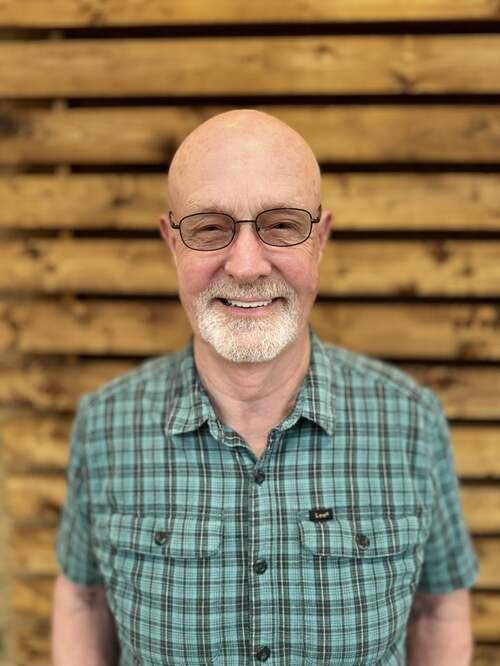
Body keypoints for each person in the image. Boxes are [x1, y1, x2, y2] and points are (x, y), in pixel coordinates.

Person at [52, 109, 478, 665]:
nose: (247, 266)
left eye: (281, 225)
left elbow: (437, 609)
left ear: (320, 239)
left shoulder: (412, 422)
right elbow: (83, 599)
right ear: (172, 243)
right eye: (210, 227)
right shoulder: (105, 426)